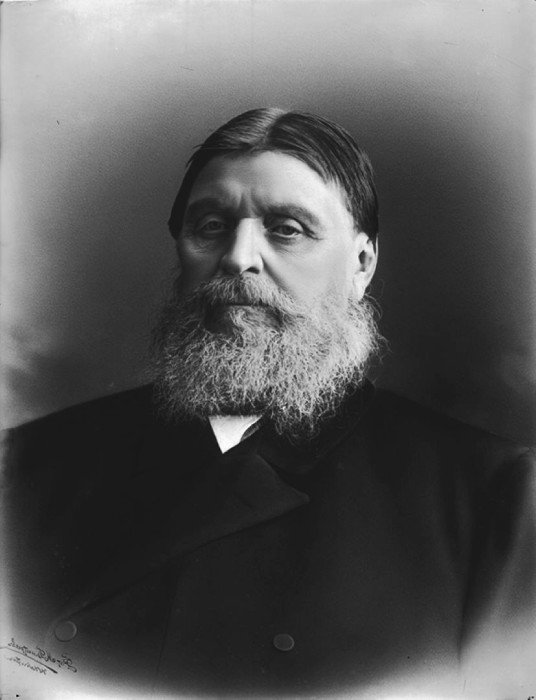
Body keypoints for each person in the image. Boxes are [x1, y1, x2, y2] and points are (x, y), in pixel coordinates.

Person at [2, 107, 535, 699]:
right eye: (211, 225)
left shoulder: (490, 496)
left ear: (361, 265)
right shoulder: (30, 464)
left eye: (287, 229)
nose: (238, 257)